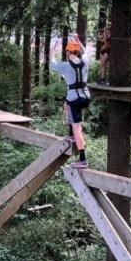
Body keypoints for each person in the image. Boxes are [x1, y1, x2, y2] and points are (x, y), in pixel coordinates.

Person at [51, 36, 91, 169]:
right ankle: (71, 134)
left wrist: (53, 49)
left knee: (77, 128)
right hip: (85, 97)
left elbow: (53, 63)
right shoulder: (85, 61)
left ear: (68, 52)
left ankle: (83, 158)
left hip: (75, 99)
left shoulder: (66, 65)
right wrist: (79, 40)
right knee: (66, 105)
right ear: (77, 52)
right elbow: (86, 51)